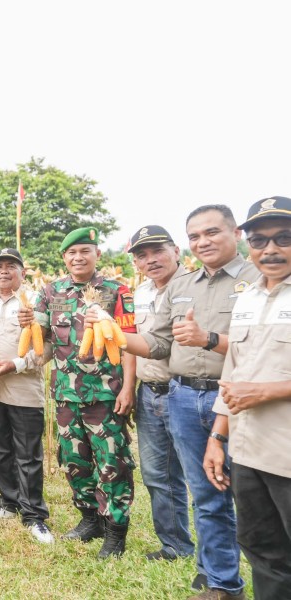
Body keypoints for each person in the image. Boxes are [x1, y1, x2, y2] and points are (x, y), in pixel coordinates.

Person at [117, 205, 256, 597]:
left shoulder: (258, 279)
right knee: (206, 494)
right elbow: (159, 343)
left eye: (212, 233)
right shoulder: (183, 286)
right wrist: (112, 334)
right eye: (196, 236)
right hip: (183, 397)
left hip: (237, 398)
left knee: (252, 495)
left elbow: (261, 346)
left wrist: (208, 339)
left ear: (236, 234)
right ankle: (219, 579)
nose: (203, 242)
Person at [19, 226, 137, 558]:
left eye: (85, 251)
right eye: (72, 252)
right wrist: (26, 323)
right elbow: (41, 340)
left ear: (97, 254)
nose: (78, 257)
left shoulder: (117, 291)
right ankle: (90, 519)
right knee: (74, 462)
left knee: (112, 463)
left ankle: (115, 531)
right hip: (66, 395)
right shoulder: (51, 291)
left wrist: (128, 388)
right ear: (64, 257)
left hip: (106, 394)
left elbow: (129, 343)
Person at [204, 196, 291, 600]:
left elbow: (254, 386)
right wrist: (217, 436)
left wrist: (269, 390)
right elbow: (233, 371)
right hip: (248, 452)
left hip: (286, 452)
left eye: (283, 238)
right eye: (259, 240)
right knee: (262, 550)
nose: (270, 249)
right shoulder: (248, 299)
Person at [126, 225, 195, 562]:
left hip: (187, 392)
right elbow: (130, 343)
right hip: (149, 392)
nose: (150, 260)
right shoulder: (139, 293)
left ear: (176, 251)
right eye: (142, 255)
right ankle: (175, 545)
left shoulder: (195, 287)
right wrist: (129, 388)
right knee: (157, 474)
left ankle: (216, 554)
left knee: (200, 477)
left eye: (158, 251)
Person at [0, 248, 52, 543]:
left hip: (23, 388)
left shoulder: (35, 302)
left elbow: (47, 347)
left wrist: (16, 364)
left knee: (28, 454)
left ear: (23, 272)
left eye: (10, 266)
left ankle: (33, 515)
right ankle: (8, 503)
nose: (3, 271)